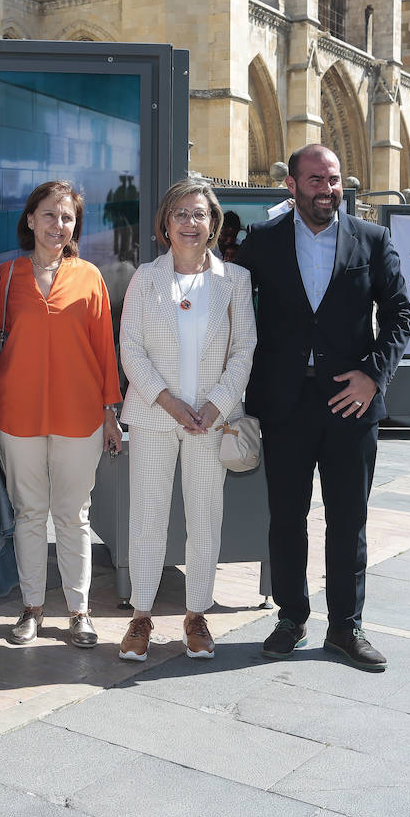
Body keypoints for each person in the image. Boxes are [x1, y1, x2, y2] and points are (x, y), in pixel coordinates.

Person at [235, 144, 410, 671]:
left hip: (350, 403)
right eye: (314, 179)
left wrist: (373, 376)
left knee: (348, 518)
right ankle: (291, 617)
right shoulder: (262, 243)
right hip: (285, 403)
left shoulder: (372, 239)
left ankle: (345, 627)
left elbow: (400, 314)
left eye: (332, 179)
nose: (325, 189)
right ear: (291, 185)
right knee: (286, 517)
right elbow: (235, 317)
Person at [116, 180, 256, 661]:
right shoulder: (145, 279)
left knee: (204, 519)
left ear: (213, 224)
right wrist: (171, 403)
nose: (190, 224)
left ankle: (196, 615)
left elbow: (244, 349)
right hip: (157, 417)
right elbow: (130, 348)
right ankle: (140, 617)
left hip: (211, 421)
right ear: (166, 223)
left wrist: (215, 405)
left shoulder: (234, 282)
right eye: (181, 214)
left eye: (199, 214)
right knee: (148, 516)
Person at [0, 181, 122, 648]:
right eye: (49, 215)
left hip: (79, 413)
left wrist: (111, 412)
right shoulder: (6, 275)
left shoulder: (90, 276)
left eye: (67, 217)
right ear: (30, 220)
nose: (58, 225)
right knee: (30, 514)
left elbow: (104, 351)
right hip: (17, 413)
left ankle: (78, 610)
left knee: (73, 515)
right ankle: (31, 609)